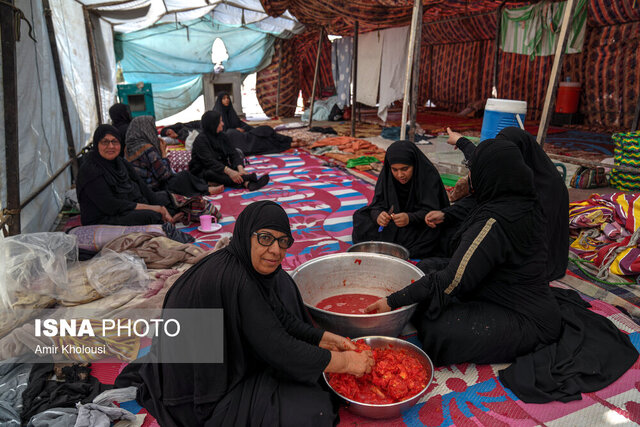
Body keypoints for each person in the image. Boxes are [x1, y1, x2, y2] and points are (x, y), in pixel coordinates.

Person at [365, 141, 637, 403]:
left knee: (439, 331)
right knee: (426, 268)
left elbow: (452, 281)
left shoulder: (496, 220)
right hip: (501, 288)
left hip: (528, 320)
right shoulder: (520, 199)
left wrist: (393, 301)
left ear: (489, 175)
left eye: (474, 172)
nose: (470, 178)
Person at [115, 201, 374, 426]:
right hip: (196, 394)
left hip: (216, 361)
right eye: (265, 238)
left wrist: (326, 339)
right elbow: (280, 348)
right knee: (312, 411)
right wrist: (348, 363)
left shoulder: (243, 267)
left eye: (283, 242)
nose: (276, 250)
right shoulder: (238, 281)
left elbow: (279, 318)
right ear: (245, 235)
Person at [426, 127, 569, 281]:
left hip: (534, 258)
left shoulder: (548, 186)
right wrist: (447, 214)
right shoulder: (510, 172)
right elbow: (486, 164)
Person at [352, 140, 450, 258]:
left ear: (414, 164)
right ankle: (395, 243)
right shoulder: (387, 175)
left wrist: (410, 218)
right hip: (394, 222)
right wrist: (379, 216)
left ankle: (391, 243)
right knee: (360, 216)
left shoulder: (428, 176)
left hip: (418, 224)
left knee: (436, 233)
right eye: (395, 170)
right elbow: (377, 204)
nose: (400, 175)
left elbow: (435, 211)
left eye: (405, 169)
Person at [76, 124, 182, 226]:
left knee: (166, 198)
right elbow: (110, 205)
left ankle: (168, 219)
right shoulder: (90, 170)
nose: (111, 146)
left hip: (126, 205)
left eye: (115, 142)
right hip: (104, 216)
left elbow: (142, 187)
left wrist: (160, 206)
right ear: (96, 144)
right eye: (105, 142)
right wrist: (154, 208)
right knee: (151, 215)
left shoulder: (120, 162)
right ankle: (165, 222)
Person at [125, 115, 222, 196]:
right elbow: (164, 175)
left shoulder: (128, 148)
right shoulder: (147, 149)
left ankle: (204, 185)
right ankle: (205, 190)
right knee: (182, 177)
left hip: (141, 189)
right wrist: (163, 154)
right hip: (154, 189)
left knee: (182, 175)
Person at [189, 111, 270, 191]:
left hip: (221, 167)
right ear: (212, 124)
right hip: (204, 170)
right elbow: (209, 162)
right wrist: (229, 172)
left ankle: (248, 184)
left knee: (233, 170)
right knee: (212, 173)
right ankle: (249, 179)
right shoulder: (200, 140)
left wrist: (240, 168)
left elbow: (233, 153)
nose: (222, 124)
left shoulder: (222, 136)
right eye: (220, 121)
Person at [213, 92, 292, 155]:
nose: (227, 100)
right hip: (233, 138)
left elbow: (239, 123)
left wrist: (243, 129)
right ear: (220, 101)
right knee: (257, 140)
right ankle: (288, 143)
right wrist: (235, 130)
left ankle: (288, 140)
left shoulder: (230, 111)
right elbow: (220, 132)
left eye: (227, 98)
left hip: (242, 134)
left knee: (265, 130)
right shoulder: (217, 114)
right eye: (224, 99)